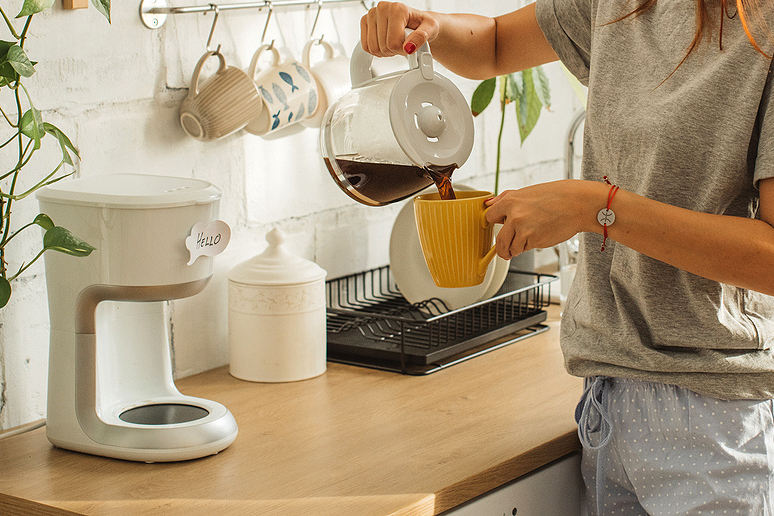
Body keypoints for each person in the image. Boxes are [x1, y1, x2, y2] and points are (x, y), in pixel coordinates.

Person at [361, 1, 774, 514]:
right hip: (608, 403)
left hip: (711, 418)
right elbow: (492, 45)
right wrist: (433, 28)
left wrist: (593, 207)